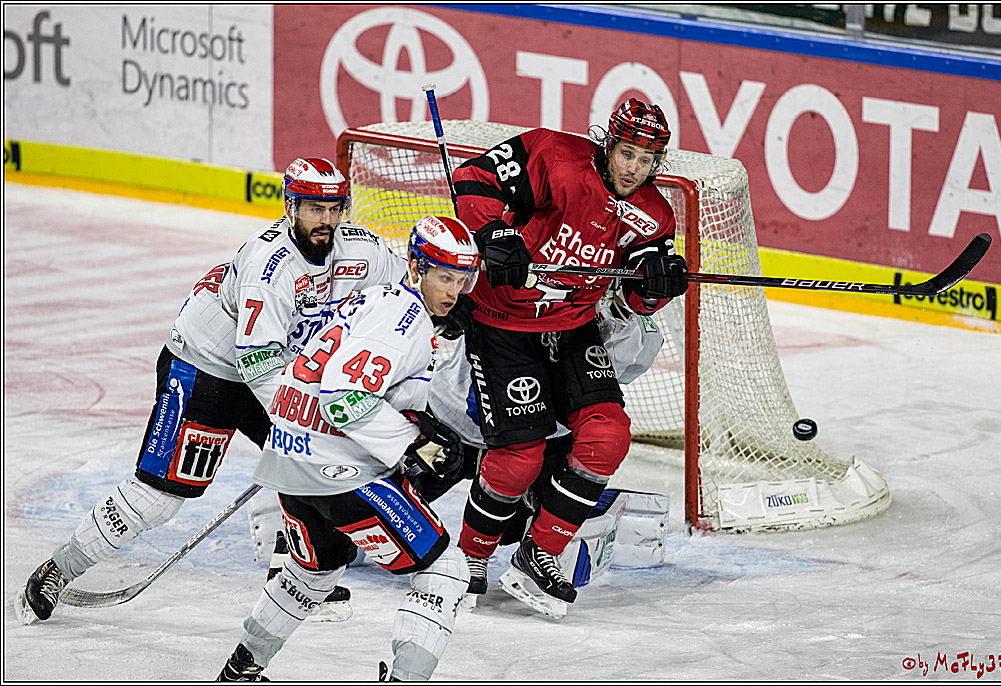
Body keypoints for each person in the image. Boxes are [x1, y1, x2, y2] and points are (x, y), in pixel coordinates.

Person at [16, 157, 408, 625]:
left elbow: (410, 280)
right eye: (312, 209)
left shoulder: (358, 249)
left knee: (315, 462)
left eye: (333, 208)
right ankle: (60, 567)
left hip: (272, 365)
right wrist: (301, 422)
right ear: (290, 206)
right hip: (206, 368)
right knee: (159, 498)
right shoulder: (272, 266)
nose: (325, 221)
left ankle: (287, 565)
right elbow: (257, 360)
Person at [449, 97, 689, 618]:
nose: (634, 168)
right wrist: (495, 234)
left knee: (608, 436)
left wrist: (659, 285)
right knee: (520, 458)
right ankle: (468, 560)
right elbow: (472, 177)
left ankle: (541, 553)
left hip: (575, 329)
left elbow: (636, 296)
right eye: (627, 153)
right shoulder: (553, 156)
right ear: (608, 143)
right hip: (502, 324)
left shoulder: (655, 214)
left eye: (647, 160)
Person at [215, 215, 477, 682]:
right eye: (443, 277)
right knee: (447, 571)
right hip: (337, 469)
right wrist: (410, 443)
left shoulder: (373, 298)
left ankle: (241, 669)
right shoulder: (405, 318)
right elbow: (343, 393)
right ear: (416, 268)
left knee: (312, 573)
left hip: (290, 459)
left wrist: (414, 422)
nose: (452, 292)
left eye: (460, 280)